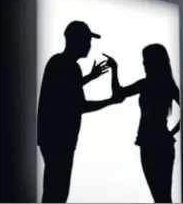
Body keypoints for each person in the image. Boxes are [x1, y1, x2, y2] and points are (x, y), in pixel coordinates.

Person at [37, 21, 125, 203]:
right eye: (86, 40)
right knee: (58, 192)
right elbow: (78, 105)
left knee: (53, 189)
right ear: (75, 40)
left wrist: (90, 78)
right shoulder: (69, 67)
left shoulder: (58, 63)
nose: (89, 45)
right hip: (61, 140)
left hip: (52, 139)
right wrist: (110, 101)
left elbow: (65, 91)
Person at [104, 43, 180, 203]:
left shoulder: (148, 84)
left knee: (160, 196)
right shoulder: (161, 85)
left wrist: (115, 70)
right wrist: (170, 133)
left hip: (151, 142)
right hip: (156, 142)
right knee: (162, 196)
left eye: (147, 60)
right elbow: (119, 95)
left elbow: (118, 95)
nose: (144, 64)